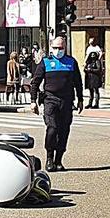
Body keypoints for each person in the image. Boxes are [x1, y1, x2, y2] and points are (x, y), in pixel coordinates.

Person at [30, 36, 83, 172]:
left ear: (65, 48)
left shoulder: (71, 62)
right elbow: (35, 82)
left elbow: (78, 83)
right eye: (55, 48)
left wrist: (81, 100)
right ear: (51, 47)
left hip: (66, 101)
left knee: (64, 130)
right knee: (52, 128)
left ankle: (59, 160)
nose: (58, 50)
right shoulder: (46, 62)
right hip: (50, 99)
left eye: (60, 48)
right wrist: (33, 101)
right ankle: (49, 158)